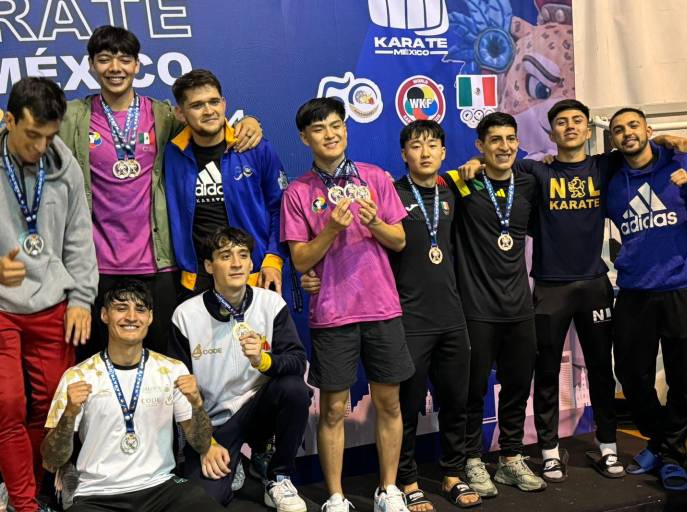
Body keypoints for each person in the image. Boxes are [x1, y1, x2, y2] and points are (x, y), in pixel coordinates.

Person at [458, 100, 687, 483]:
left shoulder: (605, 165)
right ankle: (549, 452)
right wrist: (474, 163)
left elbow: (641, 148)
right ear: (551, 133)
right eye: (562, 122)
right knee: (546, 371)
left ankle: (608, 446)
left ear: (587, 130)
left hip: (594, 285)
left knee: (601, 370)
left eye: (577, 121)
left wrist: (666, 140)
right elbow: (497, 162)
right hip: (550, 288)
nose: (570, 126)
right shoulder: (534, 169)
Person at [302, 121, 480, 511]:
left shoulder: (453, 189)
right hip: (400, 313)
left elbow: (500, 171)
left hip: (447, 312)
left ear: (444, 152)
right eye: (416, 146)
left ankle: (451, 473)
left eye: (433, 145)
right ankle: (402, 482)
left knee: (454, 400)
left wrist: (477, 164)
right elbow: (314, 255)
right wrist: (313, 271)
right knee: (398, 404)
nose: (425, 153)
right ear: (403, 154)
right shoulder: (385, 187)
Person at [57, 25, 263, 358]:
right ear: (91, 65)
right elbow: (26, 133)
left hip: (159, 264)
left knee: (165, 361)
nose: (115, 68)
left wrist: (249, 122)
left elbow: (209, 123)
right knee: (95, 363)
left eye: (125, 59)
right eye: (105, 59)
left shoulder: (163, 115)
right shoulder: (72, 117)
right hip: (96, 266)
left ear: (137, 65)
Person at [281, 97, 413, 512]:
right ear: (304, 138)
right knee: (333, 409)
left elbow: (400, 240)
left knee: (389, 403)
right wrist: (330, 230)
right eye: (319, 128)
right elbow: (300, 259)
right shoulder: (298, 192)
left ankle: (388, 489)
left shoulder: (375, 177)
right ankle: (336, 496)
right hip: (333, 313)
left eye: (336, 125)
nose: (330, 134)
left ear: (346, 129)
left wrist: (374, 222)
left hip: (382, 309)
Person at [606, 108, 687, 491]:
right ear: (613, 139)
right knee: (630, 376)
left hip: (679, 291)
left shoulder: (680, 160)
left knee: (681, 382)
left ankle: (670, 456)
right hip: (634, 293)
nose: (627, 133)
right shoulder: (612, 177)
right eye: (619, 129)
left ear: (649, 129)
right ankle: (661, 442)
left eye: (634, 126)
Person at [0, 77, 97, 512]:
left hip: (52, 304)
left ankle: (30, 487)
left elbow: (79, 237)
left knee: (53, 408)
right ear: (8, 120)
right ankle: (23, 503)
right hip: (1, 307)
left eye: (49, 136)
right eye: (32, 135)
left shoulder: (64, 164)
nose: (41, 147)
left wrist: (81, 299)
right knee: (7, 405)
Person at [40, 280, 221, 511]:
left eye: (140, 309)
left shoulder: (173, 370)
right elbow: (52, 460)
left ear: (150, 317)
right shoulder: (77, 376)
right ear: (104, 315)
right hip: (98, 496)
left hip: (161, 488)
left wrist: (196, 404)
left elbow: (201, 443)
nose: (132, 317)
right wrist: (69, 413)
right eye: (121, 308)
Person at [169, 227, 310, 510]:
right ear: (209, 266)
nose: (236, 264)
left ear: (250, 263)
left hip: (260, 410)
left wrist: (264, 361)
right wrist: (206, 443)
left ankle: (278, 476)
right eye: (225, 256)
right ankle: (235, 462)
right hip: (216, 423)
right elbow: (178, 391)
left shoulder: (270, 303)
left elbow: (297, 360)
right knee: (205, 500)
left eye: (243, 255)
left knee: (294, 388)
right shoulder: (186, 315)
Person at [444, 112, 543, 496]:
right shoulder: (463, 183)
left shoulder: (528, 183)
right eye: (495, 140)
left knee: (517, 387)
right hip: (476, 309)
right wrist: (469, 166)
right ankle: (471, 458)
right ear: (480, 145)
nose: (504, 146)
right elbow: (428, 185)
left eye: (510, 139)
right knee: (472, 391)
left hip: (519, 308)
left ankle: (510, 458)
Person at [164, 69, 286, 298]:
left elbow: (280, 209)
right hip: (195, 281)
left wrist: (273, 258)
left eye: (214, 102)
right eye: (197, 105)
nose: (209, 111)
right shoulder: (171, 153)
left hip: (253, 276)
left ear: (224, 103)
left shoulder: (255, 148)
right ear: (180, 113)